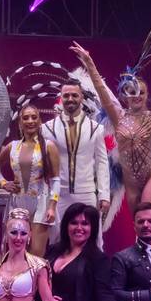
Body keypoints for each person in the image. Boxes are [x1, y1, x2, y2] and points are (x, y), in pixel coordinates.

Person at [69, 42, 151, 216]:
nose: (137, 96)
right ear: (124, 96)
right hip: (130, 181)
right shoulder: (118, 117)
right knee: (138, 222)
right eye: (132, 92)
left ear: (147, 95)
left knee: (147, 215)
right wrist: (89, 63)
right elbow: (100, 88)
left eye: (141, 92)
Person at [41, 79, 111, 247]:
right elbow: (42, 163)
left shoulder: (96, 128)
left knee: (93, 239)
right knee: (57, 239)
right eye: (66, 96)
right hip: (58, 194)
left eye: (74, 95)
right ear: (61, 98)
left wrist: (104, 195)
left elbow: (102, 163)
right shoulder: (47, 128)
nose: (70, 99)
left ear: (81, 97)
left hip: (86, 192)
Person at [0, 103, 61, 257]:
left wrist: (52, 206)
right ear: (20, 122)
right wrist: (3, 183)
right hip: (17, 203)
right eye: (26, 118)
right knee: (17, 252)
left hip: (41, 203)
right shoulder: (12, 147)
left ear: (39, 121)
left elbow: (56, 180)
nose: (30, 121)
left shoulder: (49, 147)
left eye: (34, 117)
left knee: (36, 254)